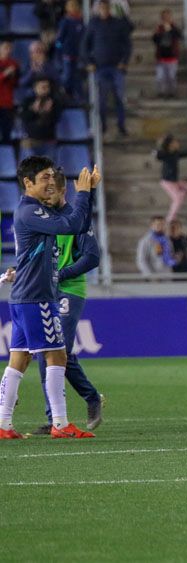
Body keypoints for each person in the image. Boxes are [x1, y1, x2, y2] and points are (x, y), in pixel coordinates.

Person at [0, 157, 97, 439]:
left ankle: (4, 424)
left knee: (19, 359)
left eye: (53, 176)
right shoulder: (31, 211)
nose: (51, 182)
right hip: (37, 297)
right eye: (44, 178)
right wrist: (84, 193)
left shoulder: (34, 210)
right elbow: (72, 225)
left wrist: (82, 194)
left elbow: (72, 221)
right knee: (57, 355)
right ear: (27, 183)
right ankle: (60, 422)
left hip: (24, 295)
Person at [34, 169, 103, 434]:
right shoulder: (40, 218)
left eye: (52, 191)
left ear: (64, 190)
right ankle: (59, 415)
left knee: (56, 349)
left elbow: (92, 257)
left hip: (69, 290)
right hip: (44, 292)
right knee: (48, 351)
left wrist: (59, 274)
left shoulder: (76, 218)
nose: (47, 195)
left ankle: (82, 402)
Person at [82, 0, 132, 137]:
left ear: (109, 9)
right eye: (101, 8)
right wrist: (89, 62)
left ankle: (121, 126)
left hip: (116, 67)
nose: (104, 10)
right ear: (98, 9)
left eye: (106, 8)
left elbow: (127, 45)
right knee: (101, 100)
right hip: (99, 67)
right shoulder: (93, 24)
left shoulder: (118, 23)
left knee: (119, 98)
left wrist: (124, 61)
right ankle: (102, 126)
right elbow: (85, 45)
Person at [155, 134, 187, 223]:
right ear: (170, 144)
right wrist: (161, 144)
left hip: (175, 181)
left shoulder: (175, 154)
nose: (177, 143)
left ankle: (181, 194)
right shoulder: (165, 154)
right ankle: (170, 219)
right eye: (175, 142)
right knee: (178, 198)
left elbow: (185, 153)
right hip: (167, 182)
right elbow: (158, 155)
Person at [19, 78, 63, 159]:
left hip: (48, 142)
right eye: (42, 87)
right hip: (30, 142)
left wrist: (48, 112)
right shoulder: (27, 101)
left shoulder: (54, 102)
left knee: (48, 170)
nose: (45, 89)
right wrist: (33, 110)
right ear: (35, 88)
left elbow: (57, 119)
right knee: (30, 170)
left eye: (47, 87)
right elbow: (23, 117)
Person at [56, 0, 85, 101]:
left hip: (78, 55)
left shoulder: (81, 21)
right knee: (66, 76)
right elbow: (59, 40)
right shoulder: (65, 21)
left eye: (75, 6)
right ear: (67, 8)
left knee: (77, 77)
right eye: (71, 6)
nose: (73, 8)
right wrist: (59, 51)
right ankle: (63, 94)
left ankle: (79, 97)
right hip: (67, 54)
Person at [152, 9, 183, 98]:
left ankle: (172, 93)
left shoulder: (174, 28)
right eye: (164, 17)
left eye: (167, 17)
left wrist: (171, 29)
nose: (166, 19)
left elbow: (179, 36)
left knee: (171, 77)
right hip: (161, 57)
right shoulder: (159, 28)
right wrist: (157, 33)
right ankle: (161, 92)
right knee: (160, 77)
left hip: (172, 57)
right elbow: (155, 40)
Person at [0, 42, 19, 144]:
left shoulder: (14, 64)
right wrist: (5, 74)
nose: (7, 51)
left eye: (9, 48)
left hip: (7, 103)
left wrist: (12, 77)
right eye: (5, 48)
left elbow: (16, 84)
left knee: (6, 134)